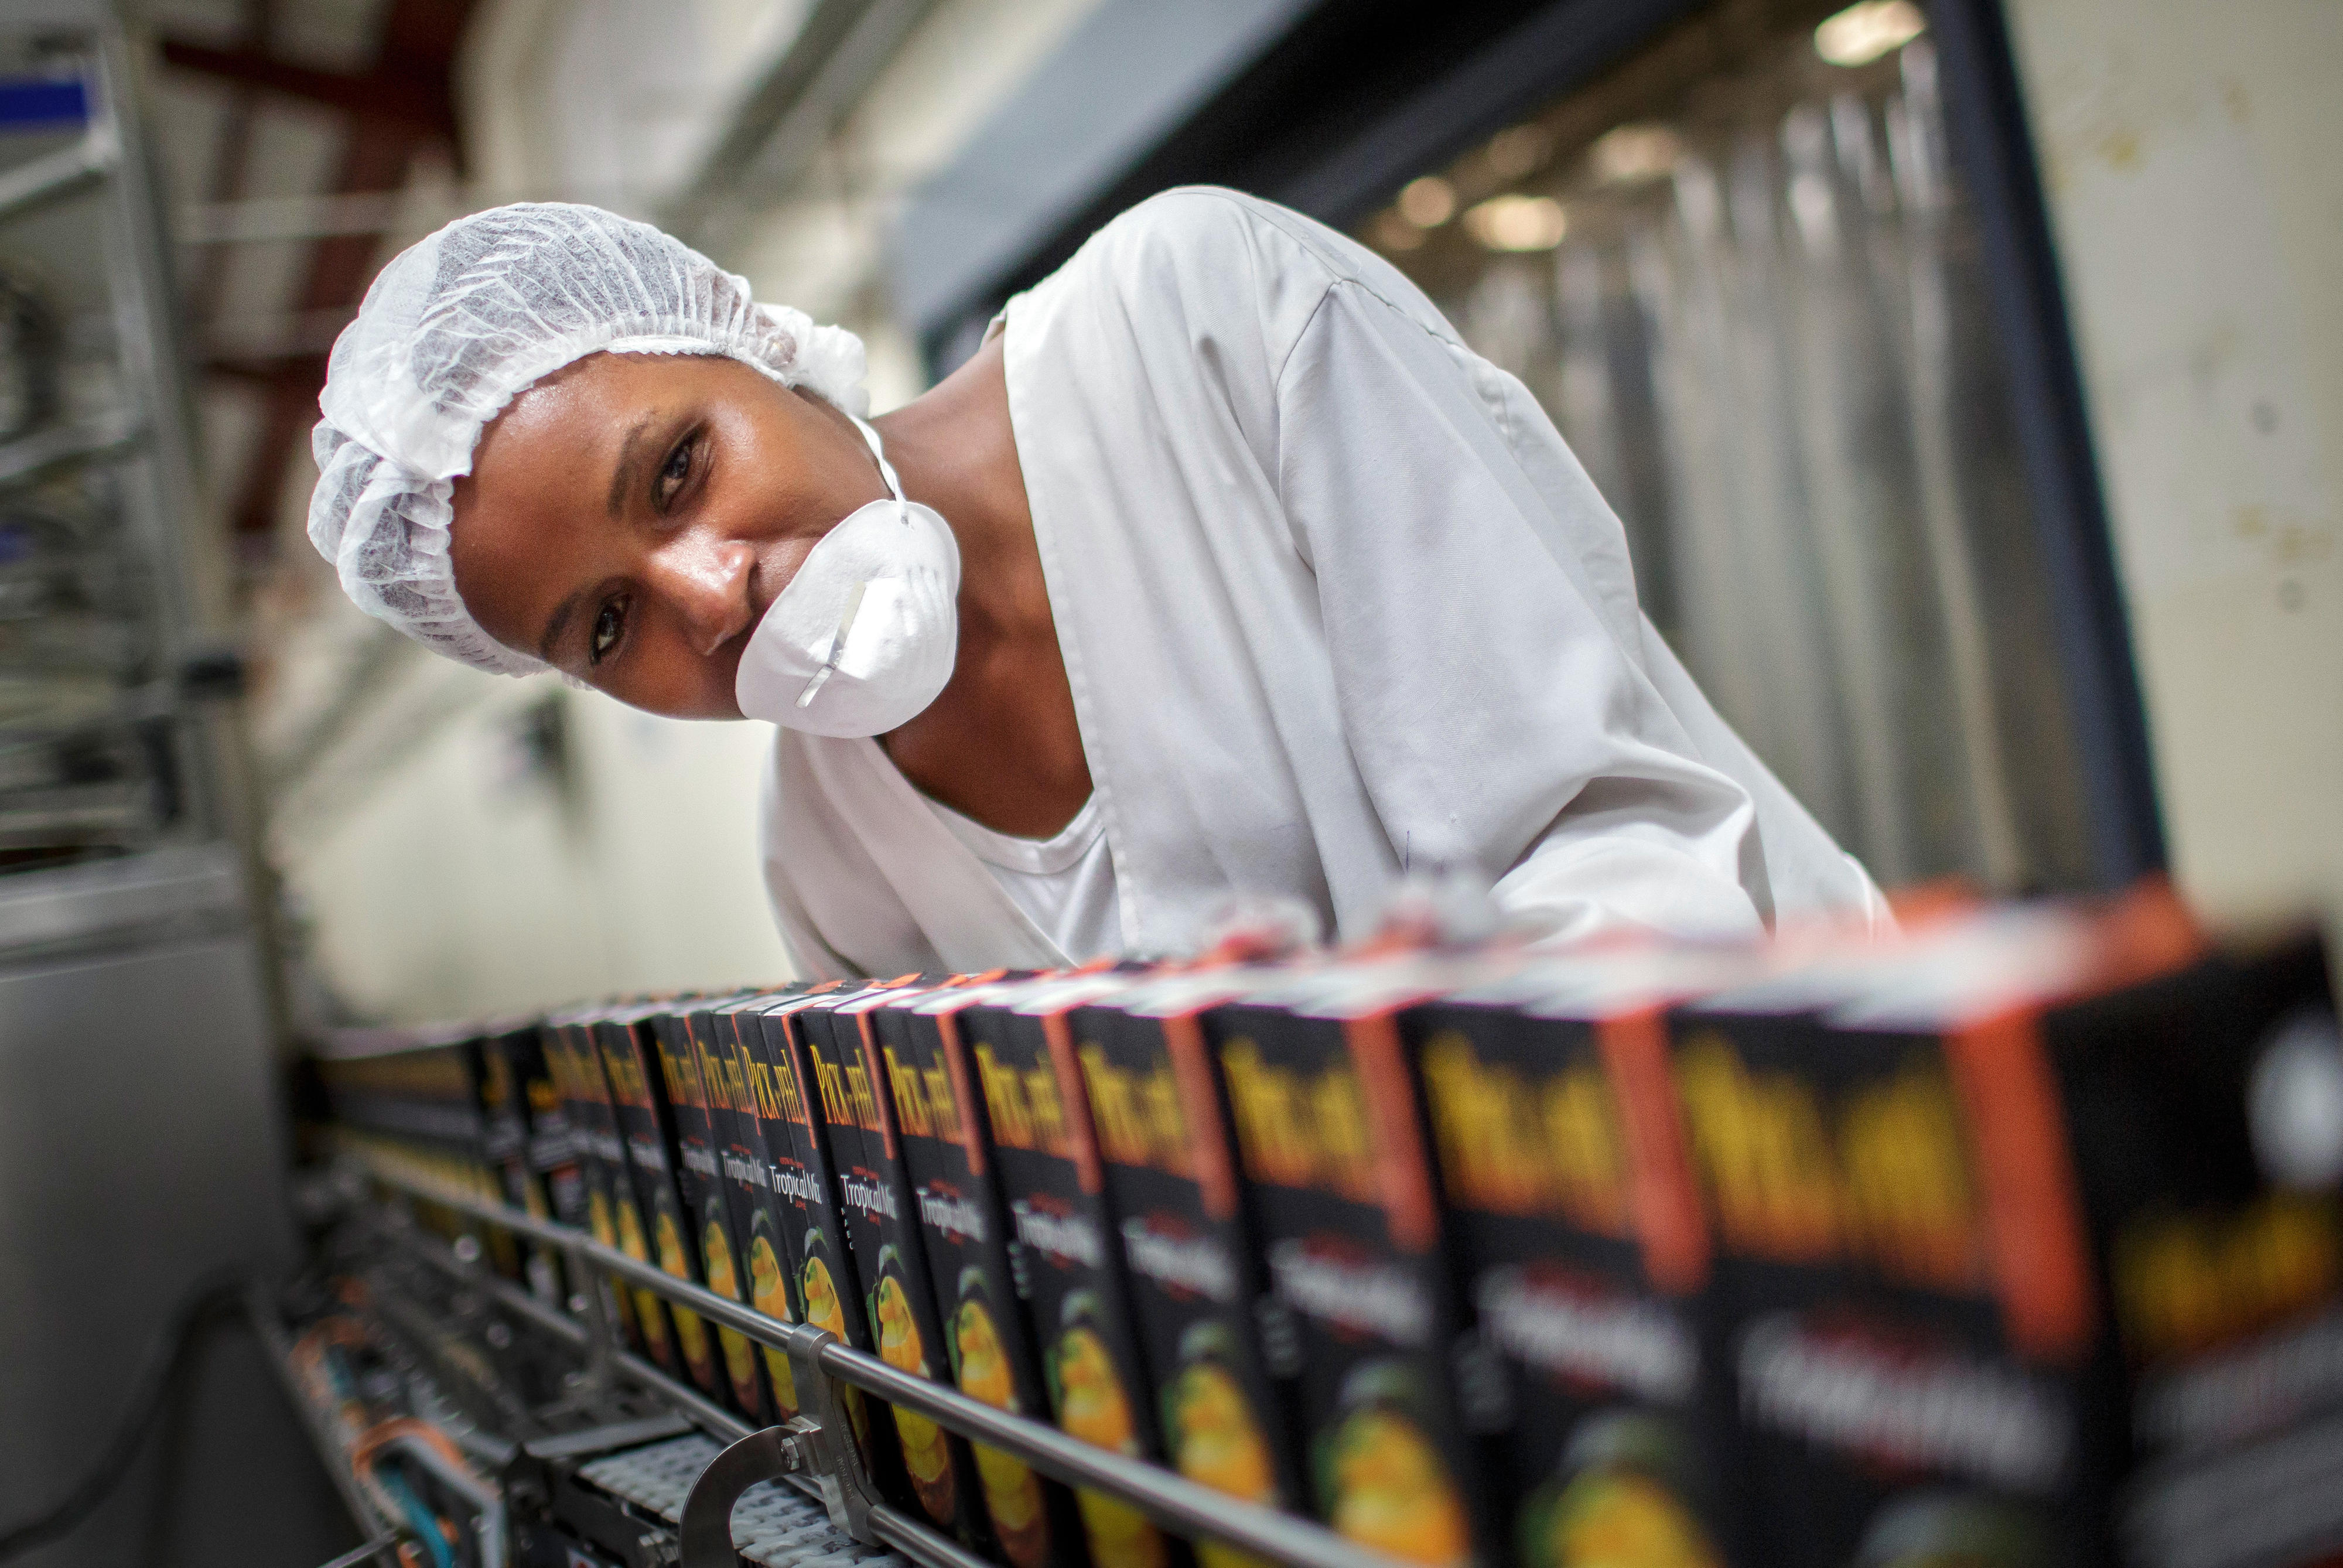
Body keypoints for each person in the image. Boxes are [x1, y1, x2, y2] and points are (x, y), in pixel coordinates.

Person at [308, 190, 1887, 979]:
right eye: (606, 625)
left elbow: (1614, 850)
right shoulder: (835, 852)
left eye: (674, 472)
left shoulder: (1201, 322)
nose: (706, 593)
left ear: (757, 342)